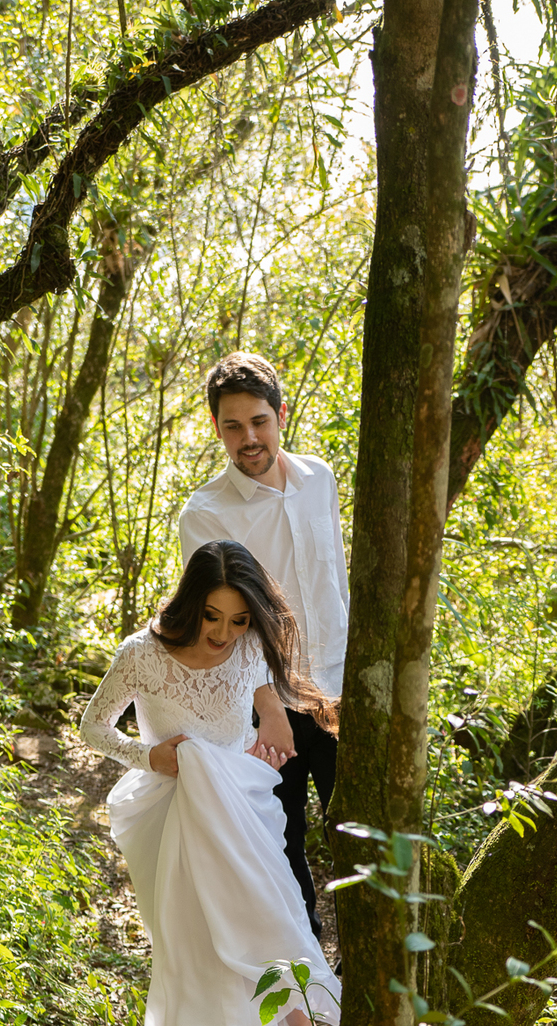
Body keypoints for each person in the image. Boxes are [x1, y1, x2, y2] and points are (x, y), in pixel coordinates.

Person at [79, 540, 339, 1026]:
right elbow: (93, 728)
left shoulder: (249, 649)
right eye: (212, 616)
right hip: (172, 813)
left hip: (239, 807)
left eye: (240, 619)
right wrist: (150, 755)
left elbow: (261, 692)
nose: (224, 633)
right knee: (199, 946)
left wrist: (272, 709)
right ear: (190, 605)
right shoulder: (141, 654)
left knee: (266, 924)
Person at [177, 351, 347, 938]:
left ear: (280, 414)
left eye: (258, 421)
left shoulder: (318, 479)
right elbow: (221, 629)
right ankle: (310, 971)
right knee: (283, 835)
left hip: (341, 692)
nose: (248, 438)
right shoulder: (205, 514)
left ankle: (370, 964)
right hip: (264, 703)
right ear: (217, 428)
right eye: (232, 426)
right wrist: (271, 709)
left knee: (356, 829)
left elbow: (337, 586)